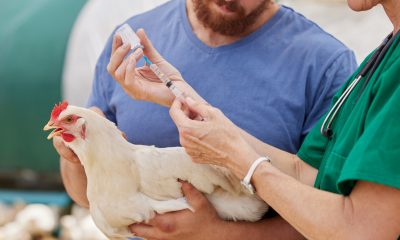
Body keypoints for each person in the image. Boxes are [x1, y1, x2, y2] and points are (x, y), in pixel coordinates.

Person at [54, 0, 357, 239]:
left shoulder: (325, 65)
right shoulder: (131, 44)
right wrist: (76, 155)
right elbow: (83, 195)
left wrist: (218, 235)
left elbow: (339, 221)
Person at [116, 0, 400, 238]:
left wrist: (240, 163)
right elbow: (305, 173)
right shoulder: (383, 58)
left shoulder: (337, 62)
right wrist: (182, 95)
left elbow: (364, 228)